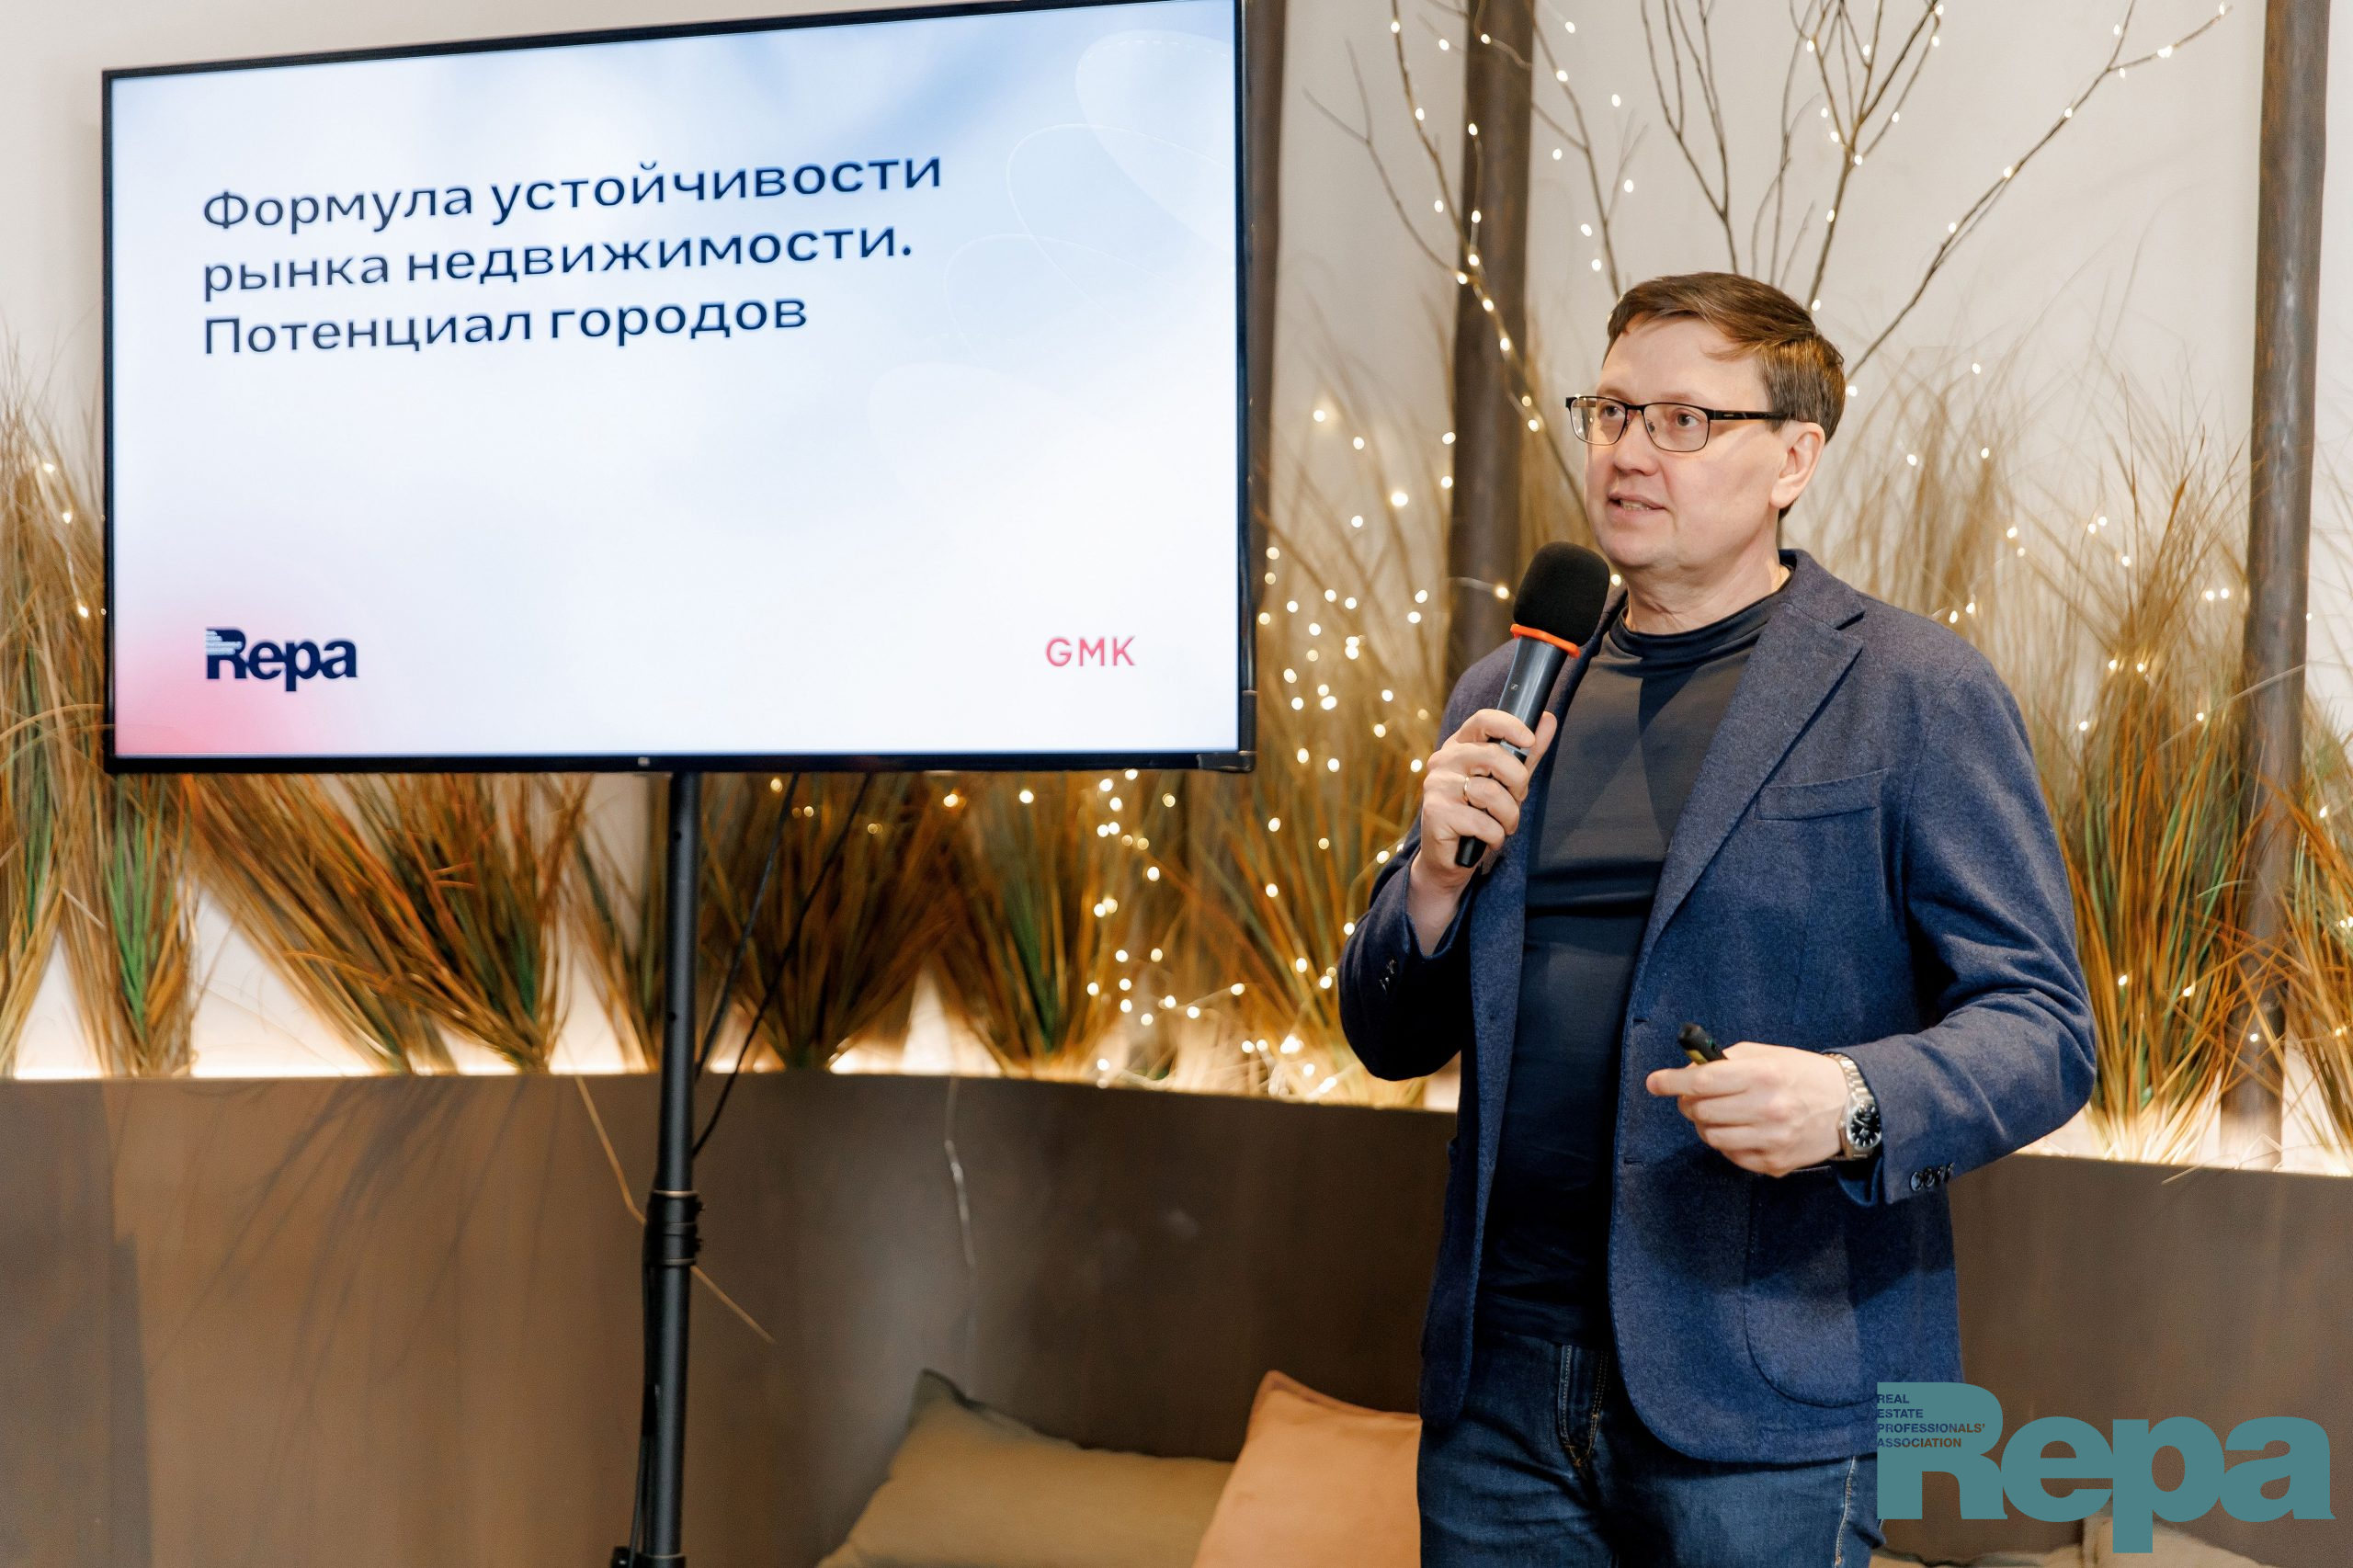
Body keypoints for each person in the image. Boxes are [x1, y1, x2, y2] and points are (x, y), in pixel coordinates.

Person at [1336, 271, 2096, 1566]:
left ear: (1795, 457)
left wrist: (1854, 1101)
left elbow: (2045, 1026)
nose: (1630, 450)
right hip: (1500, 1389)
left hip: (1769, 1399)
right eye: (1611, 411)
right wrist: (1431, 890)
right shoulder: (1511, 685)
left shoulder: (1911, 688)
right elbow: (1389, 1035)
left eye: (1684, 420)